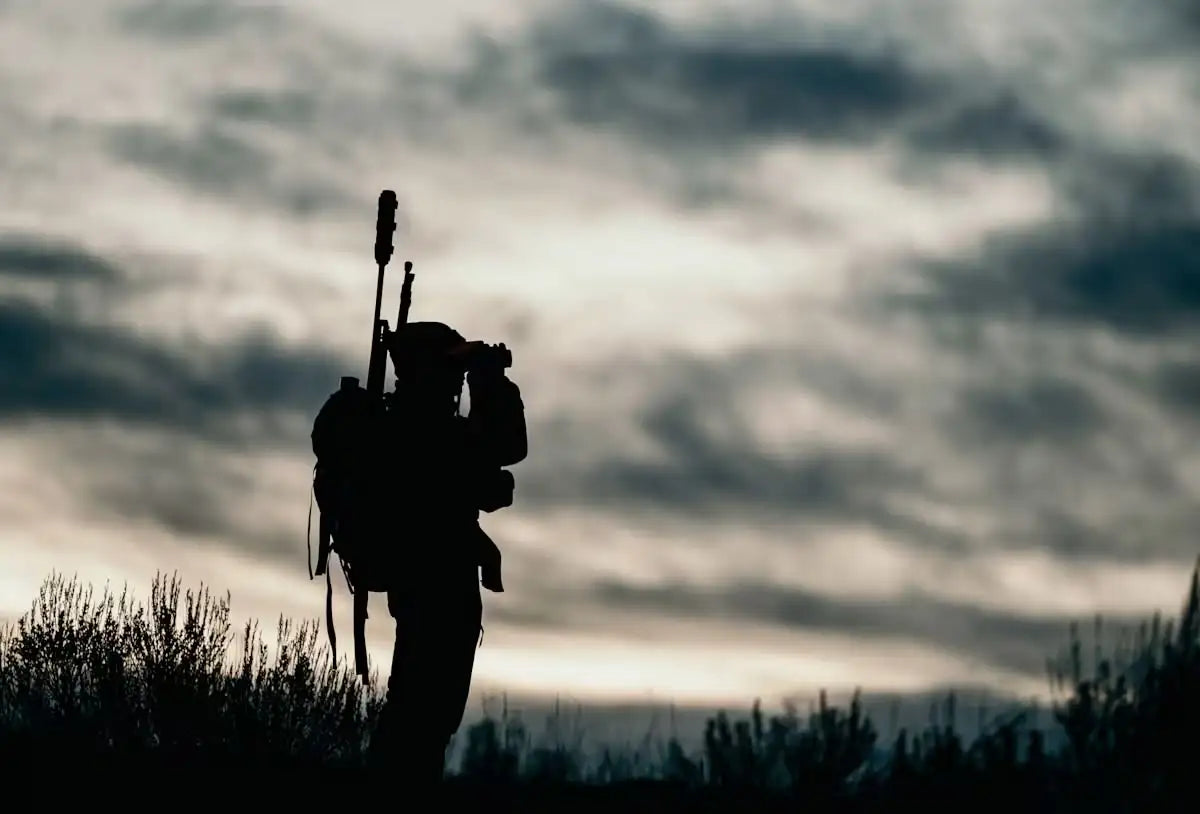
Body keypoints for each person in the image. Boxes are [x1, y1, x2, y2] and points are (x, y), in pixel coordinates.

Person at [365, 320, 527, 784]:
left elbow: (493, 463)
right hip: (434, 588)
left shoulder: (419, 427)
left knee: (424, 716)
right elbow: (507, 447)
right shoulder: (422, 431)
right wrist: (490, 383)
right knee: (420, 714)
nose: (457, 378)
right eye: (451, 368)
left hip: (430, 586)